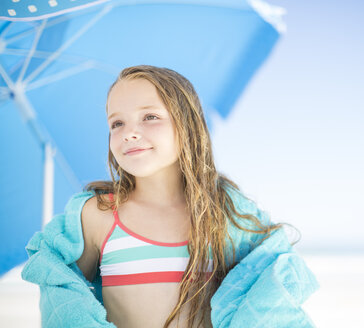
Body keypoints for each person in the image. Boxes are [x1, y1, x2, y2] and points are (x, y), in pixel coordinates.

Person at [21, 65, 319, 328]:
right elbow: (63, 289)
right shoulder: (98, 214)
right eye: (117, 123)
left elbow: (268, 279)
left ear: (187, 126)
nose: (130, 133)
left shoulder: (223, 212)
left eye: (149, 116)